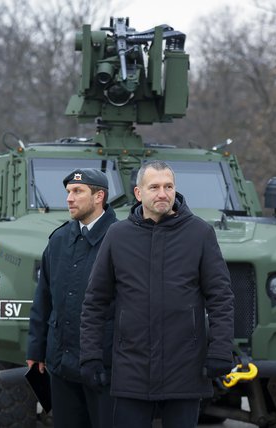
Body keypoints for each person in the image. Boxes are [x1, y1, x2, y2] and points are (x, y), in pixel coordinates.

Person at [80, 160, 235, 428]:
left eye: (168, 186)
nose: (162, 193)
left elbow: (221, 297)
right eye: (154, 187)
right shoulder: (118, 236)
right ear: (139, 193)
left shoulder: (200, 233)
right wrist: (90, 355)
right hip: (132, 369)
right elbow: (96, 301)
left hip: (185, 368)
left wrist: (221, 350)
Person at [27, 168, 118, 428]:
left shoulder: (121, 239)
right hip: (61, 364)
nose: (69, 198)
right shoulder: (59, 240)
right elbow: (43, 298)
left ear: (99, 196)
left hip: (104, 366)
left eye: (78, 191)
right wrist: (36, 349)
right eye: (68, 192)